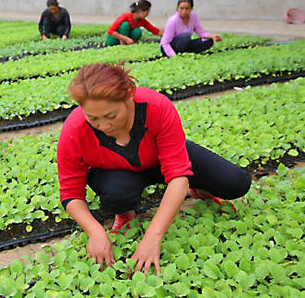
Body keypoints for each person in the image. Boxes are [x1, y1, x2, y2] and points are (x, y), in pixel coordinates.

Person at [57, 64, 251, 275]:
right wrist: (94, 231)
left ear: (129, 96)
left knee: (235, 182)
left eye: (111, 116)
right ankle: (124, 214)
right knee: (117, 194)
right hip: (114, 172)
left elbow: (178, 175)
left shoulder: (156, 107)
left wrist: (153, 237)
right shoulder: (74, 130)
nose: (103, 126)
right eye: (93, 118)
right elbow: (70, 194)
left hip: (159, 159)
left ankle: (198, 187)